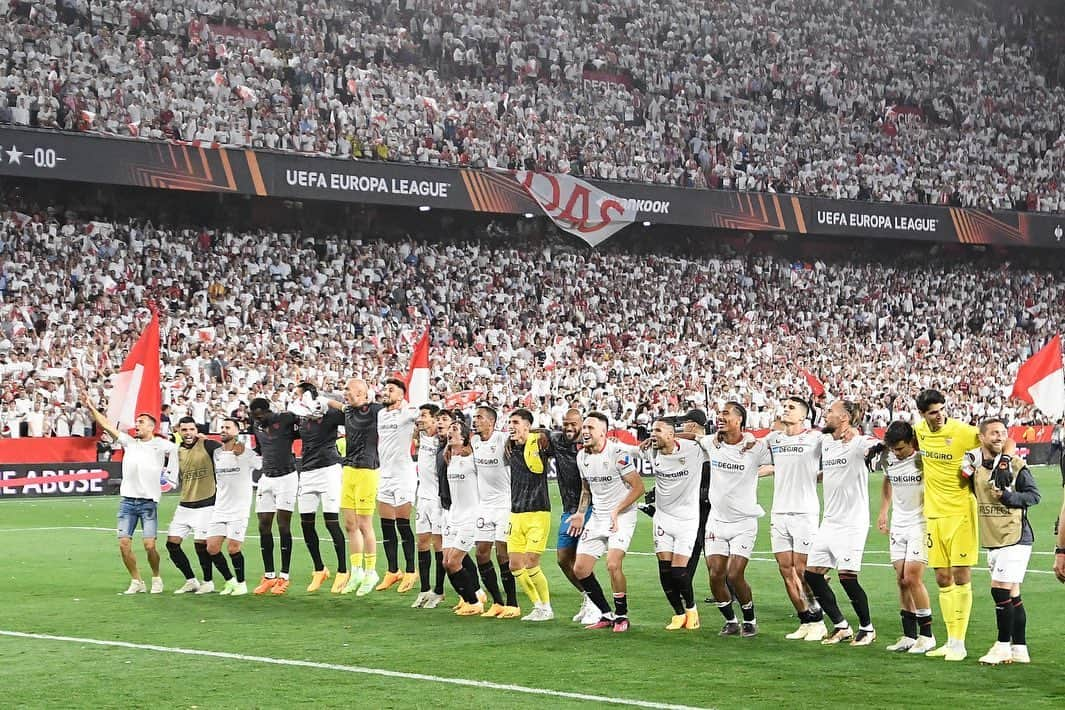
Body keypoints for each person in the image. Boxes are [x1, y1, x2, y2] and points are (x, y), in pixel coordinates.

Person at [914, 389, 1009, 661]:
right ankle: (950, 641)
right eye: (933, 412)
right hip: (934, 515)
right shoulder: (919, 431)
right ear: (923, 414)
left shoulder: (963, 431)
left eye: (942, 408)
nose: (940, 415)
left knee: (960, 574)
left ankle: (959, 642)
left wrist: (1001, 466)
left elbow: (1005, 443)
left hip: (961, 513)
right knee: (942, 578)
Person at [80, 392, 178, 594]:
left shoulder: (161, 445)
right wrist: (91, 408)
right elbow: (107, 425)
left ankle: (156, 577)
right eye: (136, 422)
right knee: (124, 544)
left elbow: (181, 449)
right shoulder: (129, 442)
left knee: (150, 545)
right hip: (127, 502)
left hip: (148, 502)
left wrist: (171, 475)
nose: (137, 425)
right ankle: (137, 581)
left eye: (141, 422)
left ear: (151, 427)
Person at [803, 400, 881, 646]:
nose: (826, 415)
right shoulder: (827, 441)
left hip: (852, 521)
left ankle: (867, 629)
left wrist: (874, 449)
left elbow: (873, 446)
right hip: (830, 521)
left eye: (830, 412)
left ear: (845, 417)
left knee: (847, 576)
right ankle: (840, 626)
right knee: (812, 575)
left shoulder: (859, 443)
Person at [969, 419, 1041, 665]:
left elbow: (1034, 496)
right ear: (982, 437)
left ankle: (1002, 646)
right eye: (993, 433)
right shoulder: (976, 467)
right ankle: (1020, 649)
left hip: (1016, 536)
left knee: (999, 589)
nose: (999, 437)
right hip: (993, 538)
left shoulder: (1018, 466)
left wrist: (1009, 497)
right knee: (1012, 594)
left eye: (1002, 433)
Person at [570, 412, 645, 632]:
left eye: (590, 428)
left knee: (613, 564)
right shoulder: (581, 456)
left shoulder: (618, 453)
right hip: (598, 516)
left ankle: (622, 616)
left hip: (622, 516)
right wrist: (581, 513)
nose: (585, 431)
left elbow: (638, 487)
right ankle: (606, 614)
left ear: (603, 432)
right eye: (584, 427)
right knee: (581, 569)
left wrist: (616, 511)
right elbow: (586, 489)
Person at [763, 396, 827, 640]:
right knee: (785, 570)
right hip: (779, 512)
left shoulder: (815, 438)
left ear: (803, 415)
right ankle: (805, 620)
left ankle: (819, 617)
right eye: (785, 406)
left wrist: (820, 475)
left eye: (792, 408)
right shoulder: (774, 439)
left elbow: (836, 454)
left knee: (803, 570)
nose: (786, 410)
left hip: (804, 511)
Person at [701, 402, 767, 637]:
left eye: (726, 413)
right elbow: (694, 435)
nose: (720, 416)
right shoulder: (711, 442)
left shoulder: (755, 447)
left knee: (734, 574)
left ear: (739, 420)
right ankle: (730, 620)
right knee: (715, 574)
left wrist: (751, 439)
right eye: (719, 413)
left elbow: (776, 450)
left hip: (744, 522)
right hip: (717, 521)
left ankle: (750, 619)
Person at [877, 421, 936, 654]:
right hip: (899, 524)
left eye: (900, 449)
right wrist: (884, 510)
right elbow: (888, 480)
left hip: (921, 523)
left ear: (911, 442)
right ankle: (909, 636)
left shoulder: (923, 460)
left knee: (912, 577)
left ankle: (927, 635)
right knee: (901, 579)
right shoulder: (889, 459)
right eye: (893, 449)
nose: (896, 453)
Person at [643, 417, 703, 631]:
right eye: (651, 430)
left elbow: (709, 439)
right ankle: (678, 613)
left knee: (679, 572)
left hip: (687, 520)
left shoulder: (693, 450)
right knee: (665, 571)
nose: (653, 434)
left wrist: (687, 435)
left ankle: (691, 609)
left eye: (657, 430)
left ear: (671, 434)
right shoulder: (651, 451)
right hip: (662, 518)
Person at [327, 378, 382, 596]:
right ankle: (356, 570)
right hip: (349, 470)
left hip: (367, 471)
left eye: (348, 390)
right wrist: (322, 400)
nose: (345, 393)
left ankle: (371, 572)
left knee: (364, 524)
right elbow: (336, 404)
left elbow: (395, 409)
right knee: (350, 524)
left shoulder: (375, 410)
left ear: (361, 392)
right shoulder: (348, 411)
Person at [293, 382, 348, 593]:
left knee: (331, 522)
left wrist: (327, 403)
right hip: (307, 472)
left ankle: (343, 570)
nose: (298, 398)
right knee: (306, 524)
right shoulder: (301, 418)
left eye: (300, 394)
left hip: (329, 470)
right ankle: (319, 569)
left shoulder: (330, 415)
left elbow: (348, 414)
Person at [506, 408, 556, 621]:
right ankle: (537, 606)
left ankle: (547, 607)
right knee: (515, 565)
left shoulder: (540, 445)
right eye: (510, 422)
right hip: (516, 514)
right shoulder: (509, 447)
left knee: (531, 561)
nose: (511, 426)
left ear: (527, 425)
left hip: (538, 511)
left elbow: (553, 436)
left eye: (515, 422)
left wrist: (534, 432)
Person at [248, 397, 300, 595]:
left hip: (287, 477)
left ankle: (284, 576)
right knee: (263, 526)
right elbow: (260, 449)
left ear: (267, 411)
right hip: (266, 477)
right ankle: (269, 576)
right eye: (254, 417)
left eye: (260, 416)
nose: (258, 420)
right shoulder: (256, 425)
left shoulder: (286, 419)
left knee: (283, 525)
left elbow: (302, 427)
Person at [550, 408, 597, 624]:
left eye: (574, 424)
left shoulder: (589, 446)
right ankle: (589, 597)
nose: (569, 428)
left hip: (590, 508)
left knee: (581, 560)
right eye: (566, 423)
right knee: (562, 559)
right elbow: (540, 432)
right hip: (569, 509)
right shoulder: (557, 441)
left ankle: (596, 605)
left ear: (582, 424)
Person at [373, 377, 420, 593]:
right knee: (386, 525)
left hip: (403, 475)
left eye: (390, 390)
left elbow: (424, 414)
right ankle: (393, 571)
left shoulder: (407, 412)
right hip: (385, 474)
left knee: (402, 524)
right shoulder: (381, 414)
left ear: (401, 394)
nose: (385, 392)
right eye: (385, 389)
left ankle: (411, 570)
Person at [472, 405, 518, 617]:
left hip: (504, 504)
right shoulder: (474, 442)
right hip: (485, 506)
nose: (475, 420)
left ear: (491, 421)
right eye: (474, 417)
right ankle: (497, 602)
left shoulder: (502, 440)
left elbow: (524, 434)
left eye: (479, 417)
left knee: (502, 553)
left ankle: (513, 603)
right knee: (481, 553)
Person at [206, 418, 261, 596]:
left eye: (227, 427)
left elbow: (261, 464)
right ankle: (230, 581)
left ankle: (242, 583)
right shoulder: (216, 453)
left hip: (239, 509)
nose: (223, 430)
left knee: (233, 548)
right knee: (212, 548)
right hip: (220, 507)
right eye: (222, 427)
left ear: (237, 431)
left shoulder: (247, 453)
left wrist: (245, 453)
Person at [167, 416, 222, 595]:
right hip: (185, 505)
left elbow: (227, 453)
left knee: (201, 545)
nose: (188, 433)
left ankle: (208, 582)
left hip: (207, 504)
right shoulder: (177, 451)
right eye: (184, 430)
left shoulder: (208, 445)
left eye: (191, 429)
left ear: (196, 430)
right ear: (179, 431)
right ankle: (191, 580)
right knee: (172, 544)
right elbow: (172, 477)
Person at [441, 417, 485, 615]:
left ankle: (474, 602)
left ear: (466, 436)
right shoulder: (451, 458)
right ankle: (473, 596)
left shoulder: (474, 460)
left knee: (454, 562)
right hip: (454, 516)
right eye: (450, 429)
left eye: (455, 429)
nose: (451, 432)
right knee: (446, 562)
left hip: (471, 517)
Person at [411, 403, 446, 609]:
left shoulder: (443, 440)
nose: (420, 418)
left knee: (439, 545)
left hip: (438, 500)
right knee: (422, 543)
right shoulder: (422, 436)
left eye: (424, 415)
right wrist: (417, 429)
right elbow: (414, 432)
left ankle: (439, 591)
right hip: (422, 497)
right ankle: (424, 590)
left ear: (435, 419)